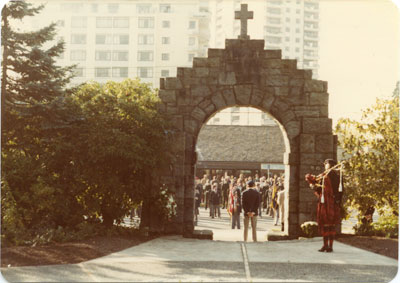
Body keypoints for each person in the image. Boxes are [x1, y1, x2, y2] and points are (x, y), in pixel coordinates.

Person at [306, 159, 343, 252]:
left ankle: (326, 245)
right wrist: (338, 202)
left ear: (329, 165)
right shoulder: (337, 176)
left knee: (326, 224)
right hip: (334, 203)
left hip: (326, 202)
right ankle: (329, 246)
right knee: (331, 225)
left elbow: (319, 189)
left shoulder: (325, 176)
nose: (324, 165)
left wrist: (312, 184)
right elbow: (341, 191)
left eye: (325, 164)